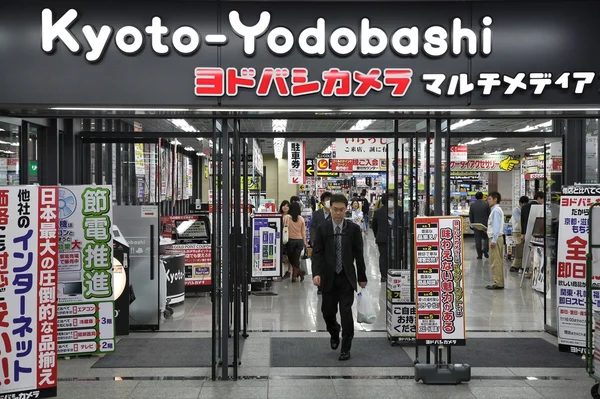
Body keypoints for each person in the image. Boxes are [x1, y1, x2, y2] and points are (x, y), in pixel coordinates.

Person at [312, 194, 367, 361]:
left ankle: (346, 348)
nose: (338, 213)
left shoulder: (353, 229)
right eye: (335, 209)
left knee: (346, 313)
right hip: (328, 277)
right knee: (327, 312)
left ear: (346, 209)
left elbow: (359, 254)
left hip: (346, 277)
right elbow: (317, 253)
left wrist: (362, 276)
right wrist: (316, 273)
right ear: (330, 208)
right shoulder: (323, 228)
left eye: (341, 210)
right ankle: (334, 332)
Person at [372, 193, 400, 282]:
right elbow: (374, 226)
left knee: (396, 256)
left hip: (396, 238)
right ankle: (384, 275)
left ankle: (396, 272)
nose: (391, 202)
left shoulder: (399, 210)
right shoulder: (378, 212)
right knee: (384, 257)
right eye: (389, 199)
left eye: (392, 199)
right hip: (383, 239)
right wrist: (378, 235)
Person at [310, 191, 333, 294]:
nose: (328, 202)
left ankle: (329, 284)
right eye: (326, 200)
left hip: (331, 244)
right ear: (322, 202)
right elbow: (312, 228)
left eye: (330, 200)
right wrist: (313, 241)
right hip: (318, 244)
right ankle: (319, 286)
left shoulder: (335, 214)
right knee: (318, 264)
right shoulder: (316, 214)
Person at [285, 201, 308, 282]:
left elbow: (284, 228)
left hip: (290, 241)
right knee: (296, 259)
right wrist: (305, 242)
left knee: (292, 259)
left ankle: (295, 275)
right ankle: (298, 273)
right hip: (299, 241)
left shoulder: (287, 217)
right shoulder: (301, 219)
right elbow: (303, 232)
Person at [486, 191, 505, 290]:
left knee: (495, 261)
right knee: (498, 261)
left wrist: (494, 240)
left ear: (495, 199)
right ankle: (499, 282)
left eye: (489, 199)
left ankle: (497, 283)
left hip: (495, 239)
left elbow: (497, 227)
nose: (488, 201)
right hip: (497, 238)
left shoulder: (496, 210)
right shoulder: (495, 210)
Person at [510, 196, 529, 273]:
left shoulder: (524, 209)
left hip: (523, 232)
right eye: (524, 204)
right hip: (517, 231)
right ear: (520, 203)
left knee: (522, 248)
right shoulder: (516, 210)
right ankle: (515, 265)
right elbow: (519, 220)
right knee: (519, 248)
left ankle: (521, 265)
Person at [469, 192, 491, 259]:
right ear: (482, 196)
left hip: (476, 225)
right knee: (486, 238)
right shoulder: (486, 204)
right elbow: (489, 214)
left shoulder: (472, 205)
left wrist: (473, 223)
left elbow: (471, 215)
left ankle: (479, 255)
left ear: (475, 197)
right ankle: (485, 249)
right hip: (485, 225)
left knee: (477, 240)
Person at [279, 200, 292, 279]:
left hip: (289, 238)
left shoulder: (290, 217)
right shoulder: (278, 215)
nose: (285, 207)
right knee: (282, 255)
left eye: (287, 206)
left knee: (289, 255)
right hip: (279, 238)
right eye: (283, 205)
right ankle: (282, 271)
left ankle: (289, 271)